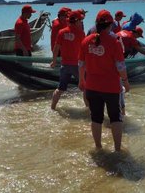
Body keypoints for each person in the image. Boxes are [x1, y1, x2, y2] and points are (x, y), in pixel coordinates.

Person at [78, 10, 130, 152]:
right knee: (115, 118)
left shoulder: (86, 41)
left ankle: (98, 147)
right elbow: (121, 66)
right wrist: (125, 81)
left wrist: (81, 80)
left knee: (96, 118)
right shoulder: (114, 42)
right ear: (111, 25)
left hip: (92, 86)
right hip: (111, 88)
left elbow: (81, 64)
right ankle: (117, 149)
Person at [50, 10, 85, 110]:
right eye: (80, 20)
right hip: (77, 66)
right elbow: (84, 50)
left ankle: (52, 108)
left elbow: (56, 48)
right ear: (77, 21)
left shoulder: (62, 32)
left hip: (64, 65)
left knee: (60, 89)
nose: (81, 22)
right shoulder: (80, 33)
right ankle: (89, 110)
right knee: (86, 88)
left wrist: (54, 61)